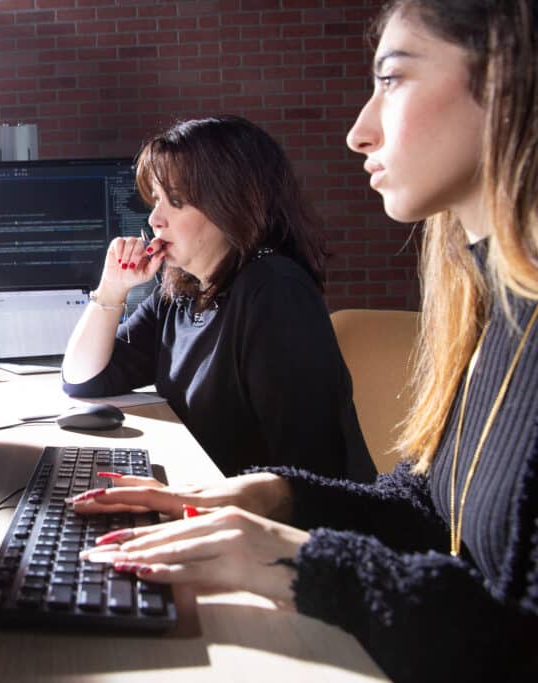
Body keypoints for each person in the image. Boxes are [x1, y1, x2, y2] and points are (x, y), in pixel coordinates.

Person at [70, 1, 538, 680]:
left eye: (393, 78)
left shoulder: (272, 291)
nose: (358, 131)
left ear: (510, 80)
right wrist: (269, 497)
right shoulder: (488, 307)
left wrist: (279, 552)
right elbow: (428, 508)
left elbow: (516, 641)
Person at [62, 116, 375, 481]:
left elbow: (310, 473)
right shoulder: (182, 292)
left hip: (276, 523)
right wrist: (112, 289)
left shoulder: (275, 293)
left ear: (231, 203)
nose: (155, 218)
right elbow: (84, 379)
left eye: (175, 201)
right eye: (157, 200)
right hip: (211, 501)